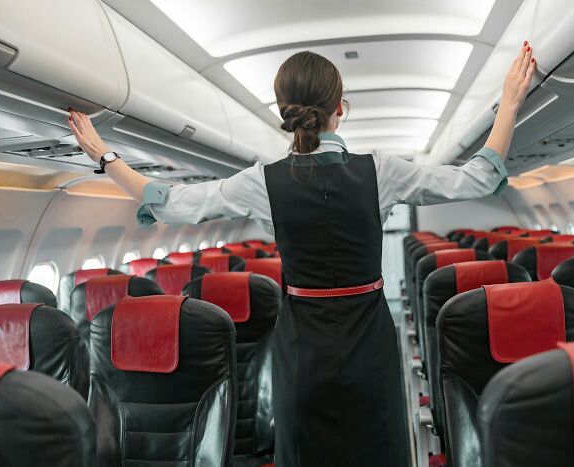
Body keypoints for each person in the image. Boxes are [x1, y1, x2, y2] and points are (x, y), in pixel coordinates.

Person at [67, 43, 536, 467]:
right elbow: (474, 178)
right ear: (340, 108)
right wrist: (510, 102)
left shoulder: (260, 182)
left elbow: (170, 203)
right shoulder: (382, 171)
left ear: (283, 111)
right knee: (379, 447)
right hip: (369, 337)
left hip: (300, 345)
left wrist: (106, 156)